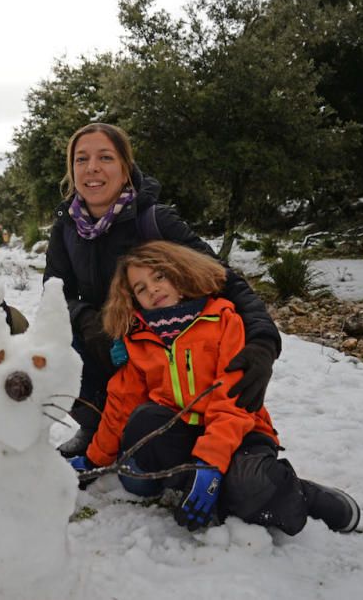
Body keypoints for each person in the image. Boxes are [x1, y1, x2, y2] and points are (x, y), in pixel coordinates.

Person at [68, 241, 360, 536]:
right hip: (181, 436)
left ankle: (302, 494)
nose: (152, 289)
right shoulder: (139, 339)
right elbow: (122, 404)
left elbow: (231, 400)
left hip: (237, 433)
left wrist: (210, 463)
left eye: (159, 277)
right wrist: (94, 460)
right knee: (142, 430)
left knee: (251, 488)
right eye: (141, 288)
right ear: (134, 300)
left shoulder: (222, 319)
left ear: (179, 275)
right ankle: (210, 486)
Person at [44, 123, 281, 457]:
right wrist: (88, 322)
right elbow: (53, 293)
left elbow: (223, 279)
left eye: (105, 157)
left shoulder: (155, 221)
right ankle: (95, 424)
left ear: (126, 168)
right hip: (107, 348)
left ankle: (189, 427)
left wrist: (263, 342)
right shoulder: (66, 228)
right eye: (81, 159)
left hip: (162, 351)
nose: (92, 168)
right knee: (47, 342)